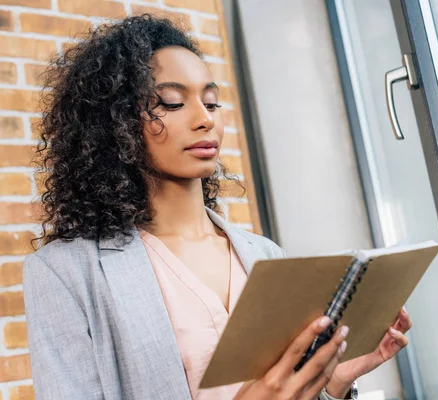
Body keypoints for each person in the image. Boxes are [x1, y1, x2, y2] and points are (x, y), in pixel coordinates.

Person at [23, 14, 412, 400]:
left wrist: (331, 383)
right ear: (117, 123)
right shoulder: (65, 274)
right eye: (172, 103)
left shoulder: (264, 253)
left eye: (211, 101)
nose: (204, 118)